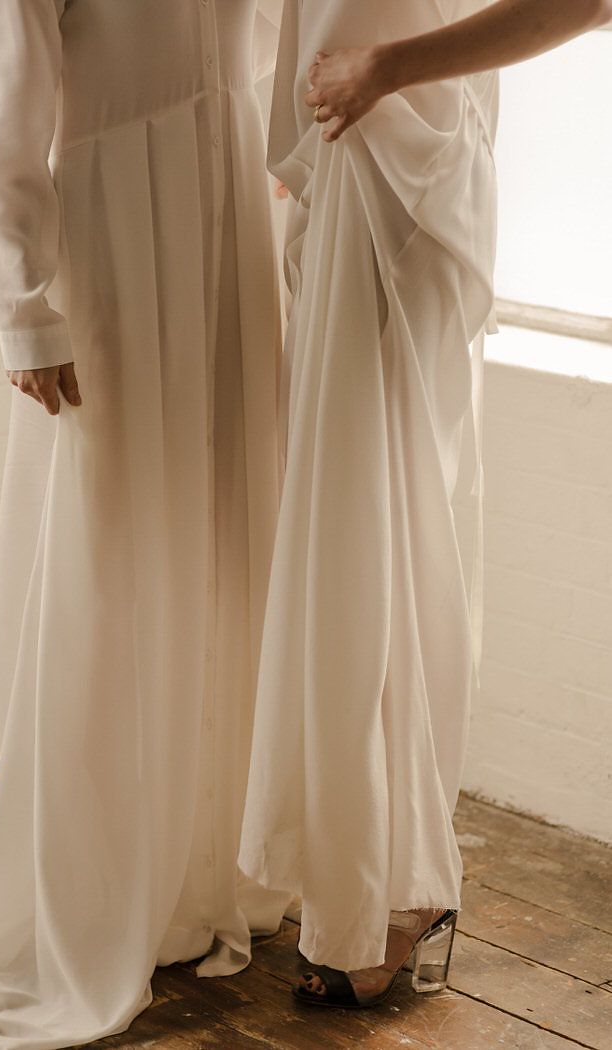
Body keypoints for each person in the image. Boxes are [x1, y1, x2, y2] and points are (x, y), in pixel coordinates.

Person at [0, 2, 289, 1047]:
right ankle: (106, 887)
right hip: (119, 234)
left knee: (225, 539)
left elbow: (263, 41)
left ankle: (205, 867)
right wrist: (23, 305)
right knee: (111, 553)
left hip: (231, 224)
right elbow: (14, 120)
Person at [239, 0, 612, 1010]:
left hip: (406, 186)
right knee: (348, 542)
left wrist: (386, 68)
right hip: (346, 174)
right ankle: (370, 877)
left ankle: (394, 890)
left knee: (384, 542)